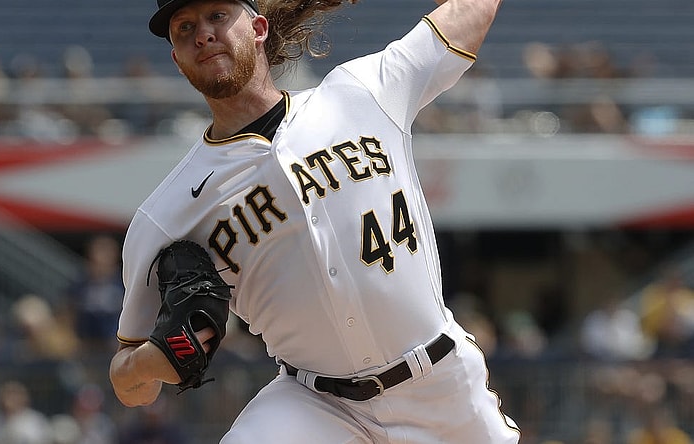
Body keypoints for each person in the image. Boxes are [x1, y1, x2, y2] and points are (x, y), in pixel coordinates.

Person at [109, 0, 520, 442]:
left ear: (259, 28)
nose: (203, 34)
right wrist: (154, 360)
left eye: (217, 16)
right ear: (176, 58)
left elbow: (460, 21)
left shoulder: (360, 94)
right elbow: (130, 384)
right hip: (315, 405)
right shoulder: (166, 214)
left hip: (440, 385)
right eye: (184, 28)